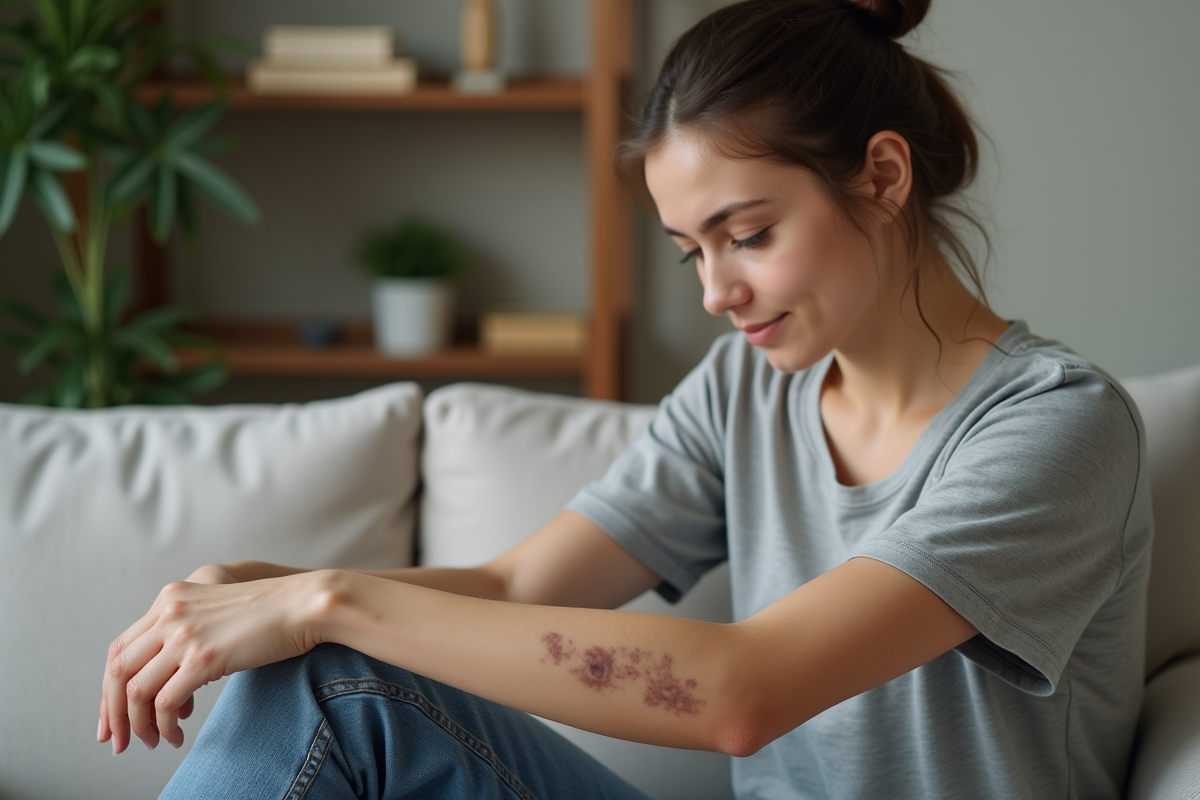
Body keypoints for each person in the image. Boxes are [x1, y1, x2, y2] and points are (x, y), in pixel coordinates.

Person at [98, 0, 1153, 797]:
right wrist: (275, 589)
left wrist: (324, 597)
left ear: (883, 176)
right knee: (323, 673)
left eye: (749, 234)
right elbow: (521, 587)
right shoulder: (753, 383)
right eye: (692, 249)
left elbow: (747, 690)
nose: (715, 291)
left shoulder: (1057, 426)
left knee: (331, 642)